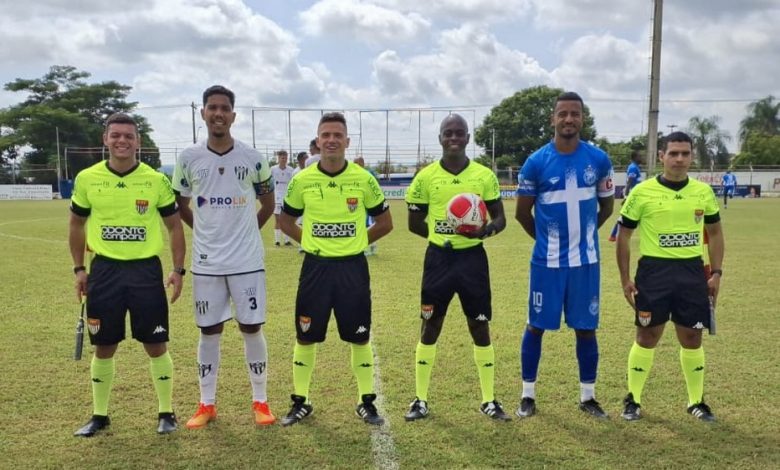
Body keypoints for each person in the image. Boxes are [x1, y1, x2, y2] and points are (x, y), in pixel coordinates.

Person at [69, 112, 186, 437]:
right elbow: (76, 224)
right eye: (116, 135)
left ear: (139, 142)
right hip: (104, 271)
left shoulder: (155, 180)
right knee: (103, 346)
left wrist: (178, 270)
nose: (122, 141)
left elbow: (174, 226)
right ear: (105, 140)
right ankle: (99, 416)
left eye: (128, 136)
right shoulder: (87, 179)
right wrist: (79, 268)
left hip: (145, 271)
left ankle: (166, 412)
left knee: (155, 342)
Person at [277, 112, 393, 426]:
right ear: (317, 141)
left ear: (347, 141)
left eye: (337, 135)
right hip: (316, 267)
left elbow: (385, 223)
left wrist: (356, 243)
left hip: (352, 268)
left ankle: (366, 401)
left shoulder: (363, 178)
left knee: (359, 337)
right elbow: (284, 221)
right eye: (325, 135)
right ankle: (301, 401)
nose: (331, 140)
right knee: (306, 335)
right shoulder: (303, 180)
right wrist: (313, 241)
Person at [172, 85, 277, 429]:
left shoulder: (253, 158)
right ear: (203, 113)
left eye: (224, 108)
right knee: (209, 330)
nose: (218, 113)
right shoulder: (188, 158)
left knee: (251, 327)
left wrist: (245, 233)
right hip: (207, 264)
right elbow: (181, 205)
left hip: (247, 262)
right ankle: (207, 404)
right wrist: (203, 232)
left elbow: (269, 205)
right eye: (212, 107)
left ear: (233, 115)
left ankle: (260, 401)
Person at [404, 114, 511, 422]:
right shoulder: (425, 178)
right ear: (440, 138)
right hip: (438, 260)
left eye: (459, 133)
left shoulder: (483, 175)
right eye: (448, 133)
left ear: (467, 138)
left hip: (473, 261)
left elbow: (500, 218)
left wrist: (484, 231)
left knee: (479, 325)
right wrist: (442, 237)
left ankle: (489, 399)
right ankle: (420, 399)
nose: (453, 137)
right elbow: (413, 224)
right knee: (431, 324)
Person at [514, 92, 615, 419]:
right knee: (536, 326)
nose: (569, 119)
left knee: (586, 328)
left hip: (585, 263)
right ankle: (527, 395)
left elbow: (607, 206)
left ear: (582, 119)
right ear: (553, 119)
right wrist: (549, 241)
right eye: (563, 114)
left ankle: (588, 397)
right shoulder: (536, 162)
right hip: (547, 263)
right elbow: (522, 214)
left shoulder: (598, 159)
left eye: (575, 114)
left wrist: (584, 236)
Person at [616, 131, 724, 422]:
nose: (679, 159)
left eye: (685, 153)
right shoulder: (641, 192)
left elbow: (714, 234)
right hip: (653, 272)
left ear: (691, 157)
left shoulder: (703, 192)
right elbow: (623, 237)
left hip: (691, 272)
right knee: (647, 334)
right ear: (661, 156)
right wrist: (625, 278)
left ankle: (696, 401)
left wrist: (716, 273)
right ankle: (633, 399)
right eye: (673, 153)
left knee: (692, 336)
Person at [608, 150, 642, 241]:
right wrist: (627, 196)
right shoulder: (633, 168)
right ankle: (613, 235)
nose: (641, 158)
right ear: (634, 157)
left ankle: (613, 235)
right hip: (633, 196)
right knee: (625, 216)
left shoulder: (636, 167)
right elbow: (629, 182)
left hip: (637, 195)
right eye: (639, 156)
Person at [354, 156, 379, 256]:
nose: (354, 165)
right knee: (362, 224)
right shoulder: (357, 174)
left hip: (367, 204)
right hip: (360, 204)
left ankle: (369, 246)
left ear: (361, 164)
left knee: (367, 224)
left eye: (356, 163)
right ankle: (370, 246)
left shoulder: (367, 175)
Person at [270, 150, 294, 246]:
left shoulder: (291, 170)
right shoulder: (273, 169)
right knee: (278, 219)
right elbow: (269, 182)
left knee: (287, 220)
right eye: (282, 157)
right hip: (276, 196)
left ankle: (287, 240)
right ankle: (277, 240)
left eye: (285, 157)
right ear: (278, 158)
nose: (283, 159)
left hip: (287, 197)